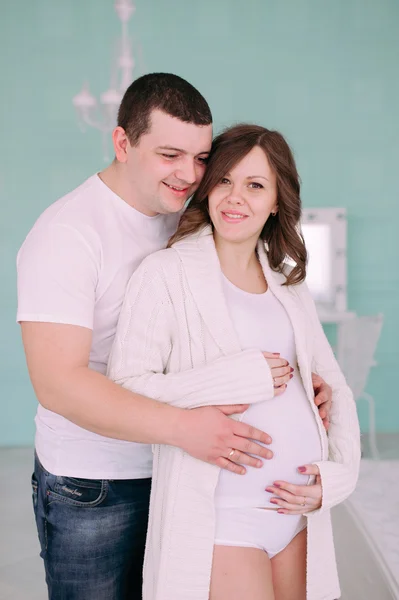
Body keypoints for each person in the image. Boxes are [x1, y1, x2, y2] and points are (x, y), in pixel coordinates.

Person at [17, 73, 332, 600]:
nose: (189, 174)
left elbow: (227, 325)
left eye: (201, 157)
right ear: (123, 143)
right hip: (98, 484)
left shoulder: (189, 215)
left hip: (188, 476)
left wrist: (305, 387)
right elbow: (58, 385)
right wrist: (183, 428)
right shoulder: (67, 236)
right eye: (169, 155)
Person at [107, 123, 361, 600]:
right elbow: (125, 388)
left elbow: (337, 389)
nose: (234, 197)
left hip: (299, 515)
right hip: (224, 517)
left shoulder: (289, 285)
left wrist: (339, 478)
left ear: (277, 201)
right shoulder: (167, 274)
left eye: (255, 185)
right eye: (223, 179)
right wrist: (231, 379)